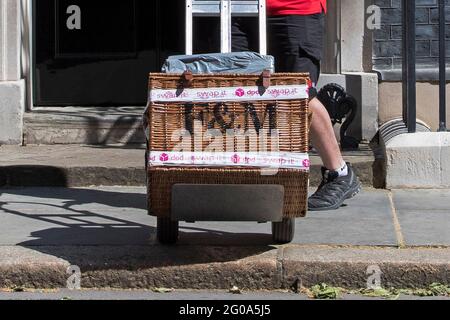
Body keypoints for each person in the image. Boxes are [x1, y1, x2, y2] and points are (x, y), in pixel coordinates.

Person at [231, 0, 361, 211]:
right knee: (236, 89)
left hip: (294, 10)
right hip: (241, 10)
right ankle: (249, 172)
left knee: (299, 94)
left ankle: (339, 172)